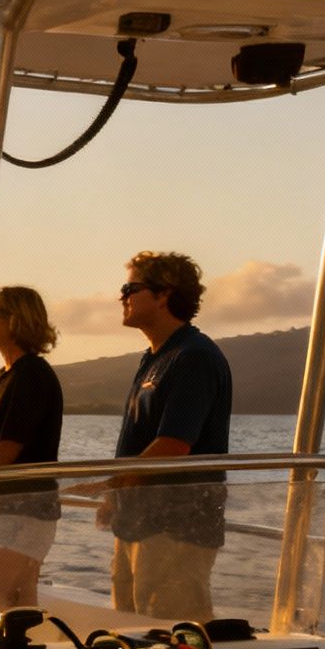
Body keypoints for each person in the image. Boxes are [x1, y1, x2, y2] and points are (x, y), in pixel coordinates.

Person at [105, 251, 231, 621]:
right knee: (130, 632)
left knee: (172, 640)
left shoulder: (194, 357)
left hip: (176, 527)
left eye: (131, 288)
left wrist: (110, 483)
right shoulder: (153, 358)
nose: (122, 297)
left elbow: (174, 445)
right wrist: (115, 498)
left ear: (164, 295)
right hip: (137, 524)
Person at [0, 286, 64, 630]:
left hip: (25, 508)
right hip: (11, 508)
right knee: (18, 597)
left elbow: (9, 448)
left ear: (15, 320)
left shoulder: (32, 376)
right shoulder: (5, 378)